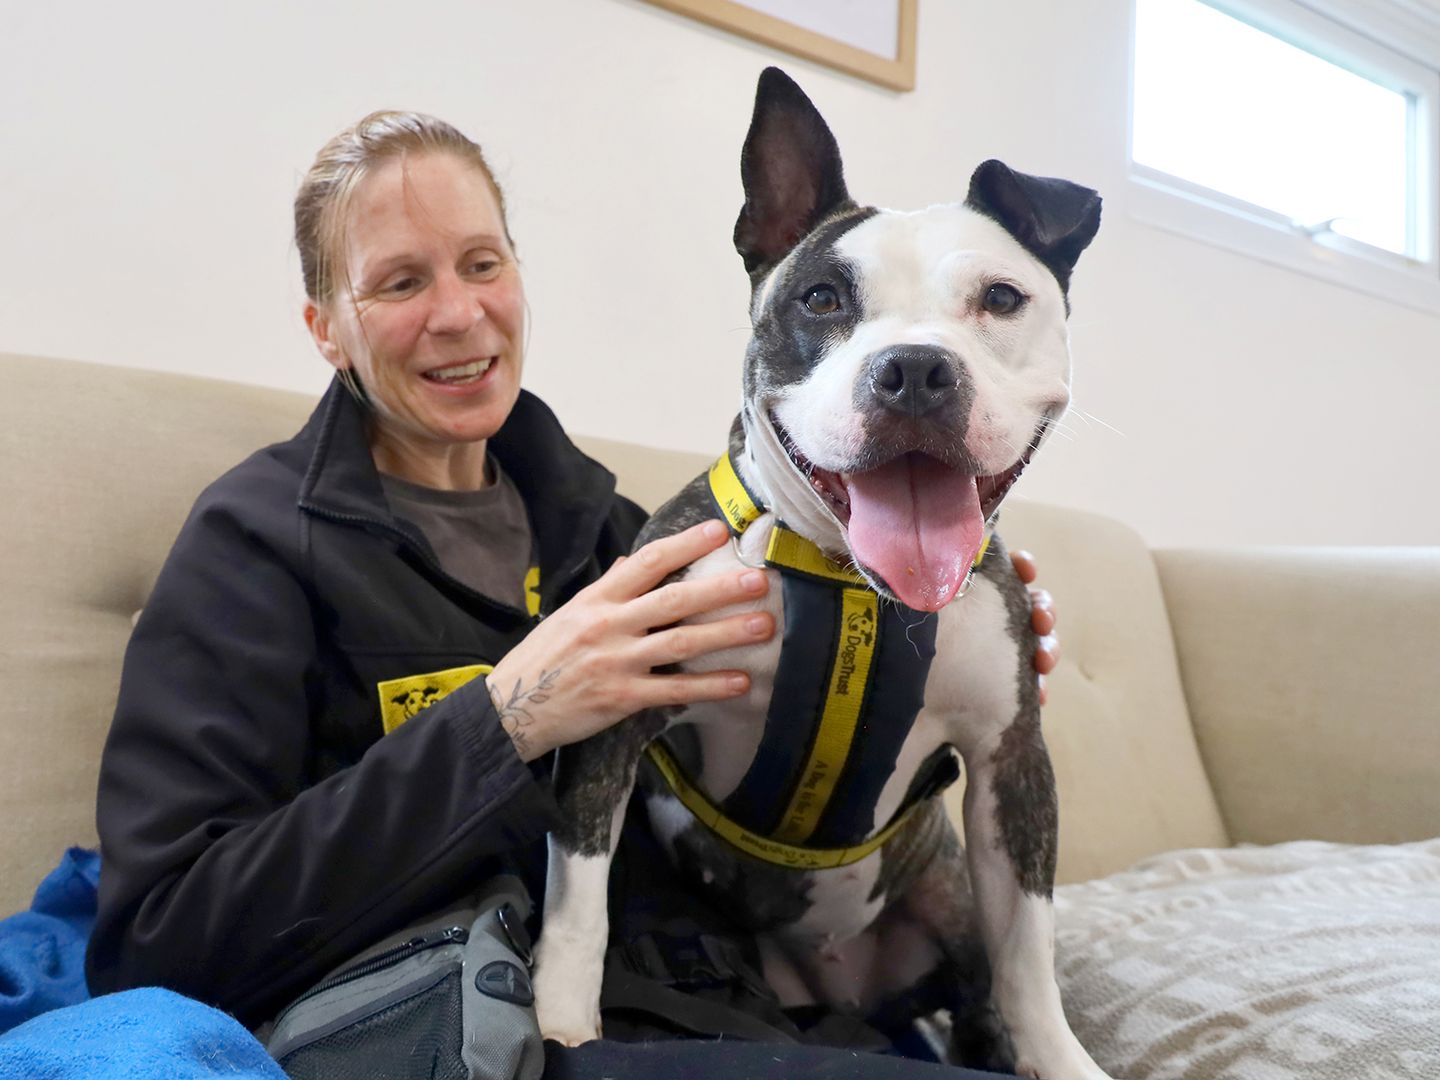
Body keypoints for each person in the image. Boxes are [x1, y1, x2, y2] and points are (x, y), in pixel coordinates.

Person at [84, 111, 1059, 1075]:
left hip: (694, 986)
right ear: (325, 331)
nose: (460, 313)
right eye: (399, 282)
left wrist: (943, 604)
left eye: (481, 263)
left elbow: (795, 692)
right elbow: (156, 940)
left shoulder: (603, 523)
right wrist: (503, 718)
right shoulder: (251, 544)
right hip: (451, 1014)